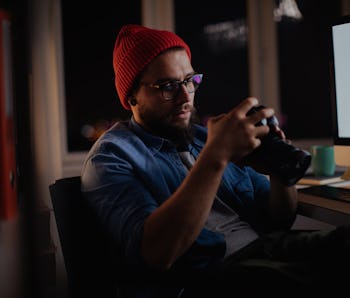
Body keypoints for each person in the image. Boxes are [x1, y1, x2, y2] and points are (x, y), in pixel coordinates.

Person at [81, 24, 350, 297]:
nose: (185, 96)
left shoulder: (204, 138)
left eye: (189, 81)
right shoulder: (111, 157)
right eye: (168, 86)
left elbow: (279, 219)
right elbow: (157, 253)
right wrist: (216, 155)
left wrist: (279, 168)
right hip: (201, 279)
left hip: (265, 249)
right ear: (131, 97)